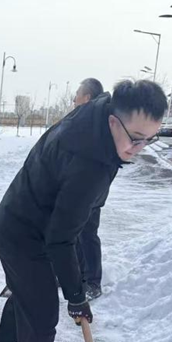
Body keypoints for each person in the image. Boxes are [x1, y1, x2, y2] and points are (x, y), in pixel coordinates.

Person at [0, 80, 167, 342]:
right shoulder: (90, 163)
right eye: (136, 138)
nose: (139, 148)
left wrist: (75, 277)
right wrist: (76, 295)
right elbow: (61, 239)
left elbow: (71, 227)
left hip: (25, 218)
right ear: (115, 121)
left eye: (149, 140)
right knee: (41, 313)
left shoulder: (99, 119)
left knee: (29, 292)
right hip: (24, 233)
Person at [73, 78, 105, 300]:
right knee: (72, 233)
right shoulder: (84, 119)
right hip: (77, 186)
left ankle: (93, 281)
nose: (74, 98)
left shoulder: (98, 121)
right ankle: (77, 276)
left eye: (77, 94)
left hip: (90, 188)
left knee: (87, 233)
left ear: (87, 98)